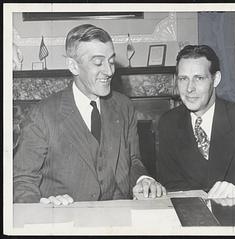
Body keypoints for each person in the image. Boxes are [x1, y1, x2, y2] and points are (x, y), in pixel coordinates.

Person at [13, 24, 166, 205]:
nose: (109, 71)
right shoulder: (42, 114)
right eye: (98, 63)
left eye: (110, 61)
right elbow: (22, 181)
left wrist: (143, 180)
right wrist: (43, 209)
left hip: (117, 218)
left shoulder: (124, 106)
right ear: (73, 66)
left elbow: (133, 161)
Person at [157, 45, 235, 198]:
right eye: (183, 79)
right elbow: (170, 184)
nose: (189, 88)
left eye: (199, 78)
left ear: (216, 79)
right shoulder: (168, 123)